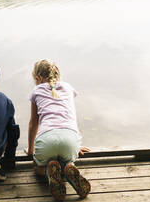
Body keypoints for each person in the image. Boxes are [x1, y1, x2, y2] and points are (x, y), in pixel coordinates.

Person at [26, 59, 91, 201]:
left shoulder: (36, 91)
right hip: (70, 138)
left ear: (37, 78)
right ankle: (68, 168)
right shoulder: (68, 87)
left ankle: (50, 173)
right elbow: (69, 116)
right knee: (67, 161)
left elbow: (33, 124)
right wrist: (76, 144)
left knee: (37, 167)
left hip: (46, 140)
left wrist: (31, 151)